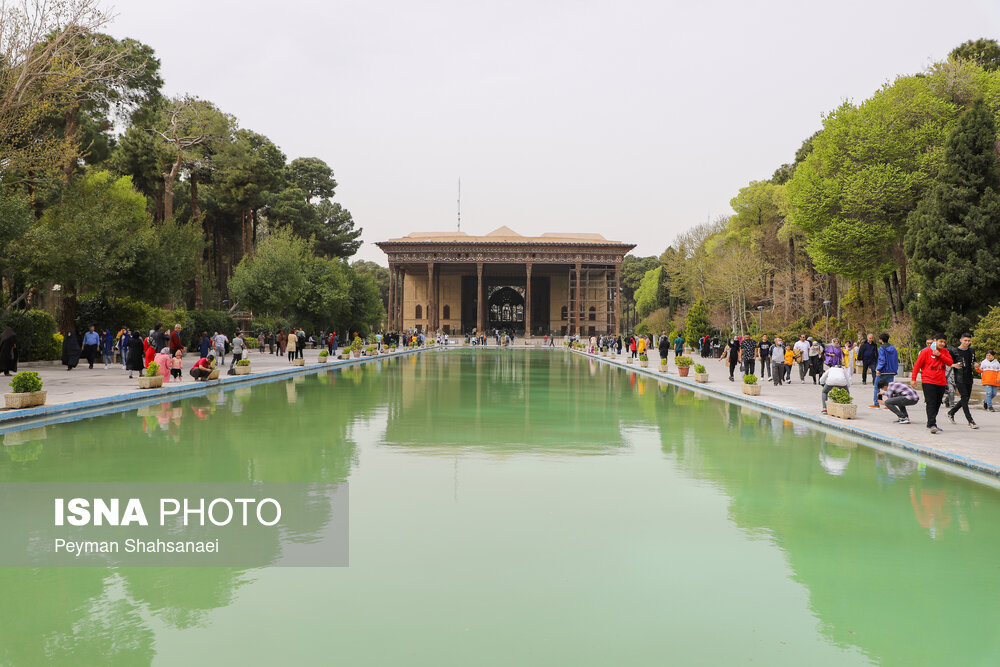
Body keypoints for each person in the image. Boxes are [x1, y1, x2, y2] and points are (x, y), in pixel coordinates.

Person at [911, 333, 956, 434]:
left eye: (944, 342)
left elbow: (949, 362)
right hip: (928, 381)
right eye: (940, 341)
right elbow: (917, 366)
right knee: (930, 402)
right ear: (935, 341)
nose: (942, 344)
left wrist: (940, 355)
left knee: (937, 403)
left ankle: (930, 423)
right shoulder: (925, 352)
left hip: (941, 382)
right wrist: (913, 379)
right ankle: (932, 424)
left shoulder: (945, 351)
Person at [946, 333, 978, 429]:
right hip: (959, 378)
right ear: (961, 340)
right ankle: (970, 421)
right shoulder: (954, 351)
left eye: (969, 341)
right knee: (964, 397)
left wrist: (976, 363)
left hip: (969, 377)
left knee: (966, 399)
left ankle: (951, 412)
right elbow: (948, 362)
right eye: (965, 340)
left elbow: (973, 361)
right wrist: (953, 365)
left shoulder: (971, 350)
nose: (967, 342)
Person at [873, 333, 899, 408]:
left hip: (883, 371)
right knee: (890, 387)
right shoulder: (893, 348)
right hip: (892, 371)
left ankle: (876, 403)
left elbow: (882, 360)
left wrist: (878, 369)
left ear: (881, 340)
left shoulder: (881, 348)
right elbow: (895, 360)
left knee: (877, 386)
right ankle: (889, 404)